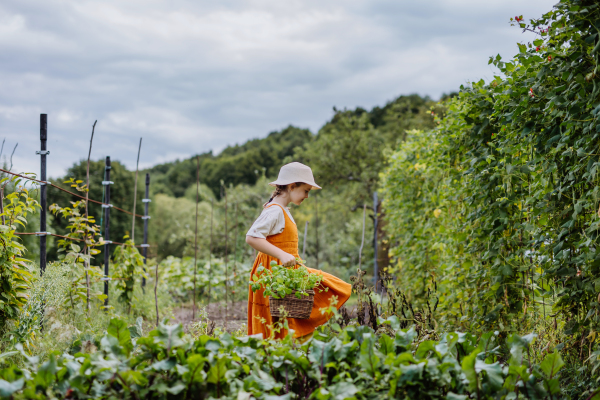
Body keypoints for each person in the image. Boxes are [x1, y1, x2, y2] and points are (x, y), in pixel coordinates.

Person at [246, 162, 352, 341]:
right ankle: (272, 358)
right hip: (274, 271)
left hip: (288, 270)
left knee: (332, 289)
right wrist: (281, 254)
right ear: (292, 186)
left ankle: (292, 355)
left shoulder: (283, 210)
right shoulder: (275, 211)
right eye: (306, 190)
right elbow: (252, 237)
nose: (307, 196)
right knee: (273, 323)